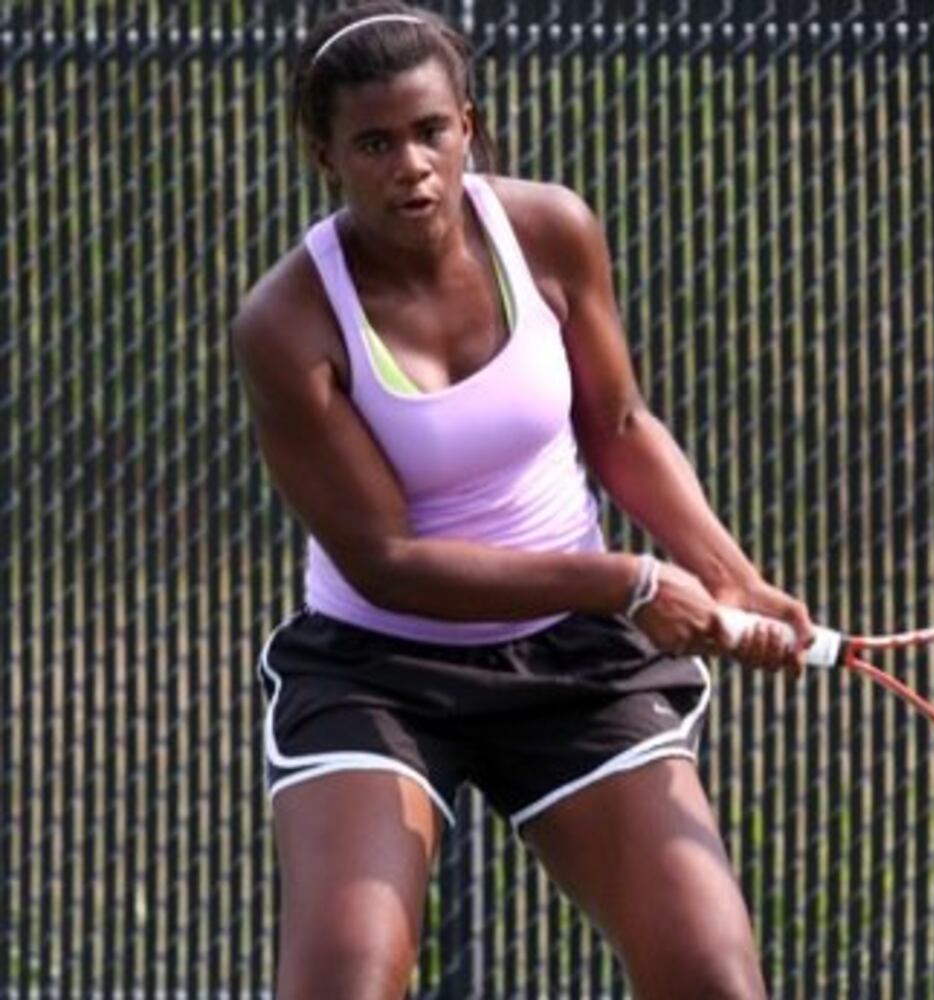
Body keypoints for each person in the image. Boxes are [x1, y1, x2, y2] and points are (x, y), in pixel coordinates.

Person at [230, 4, 813, 998]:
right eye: (374, 142)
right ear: (325, 155)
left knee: (715, 976)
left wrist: (732, 574)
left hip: (574, 666)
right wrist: (625, 581)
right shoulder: (286, 322)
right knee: (346, 978)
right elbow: (389, 559)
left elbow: (620, 426)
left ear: (470, 124)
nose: (410, 164)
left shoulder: (549, 229)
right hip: (379, 673)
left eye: (430, 132)